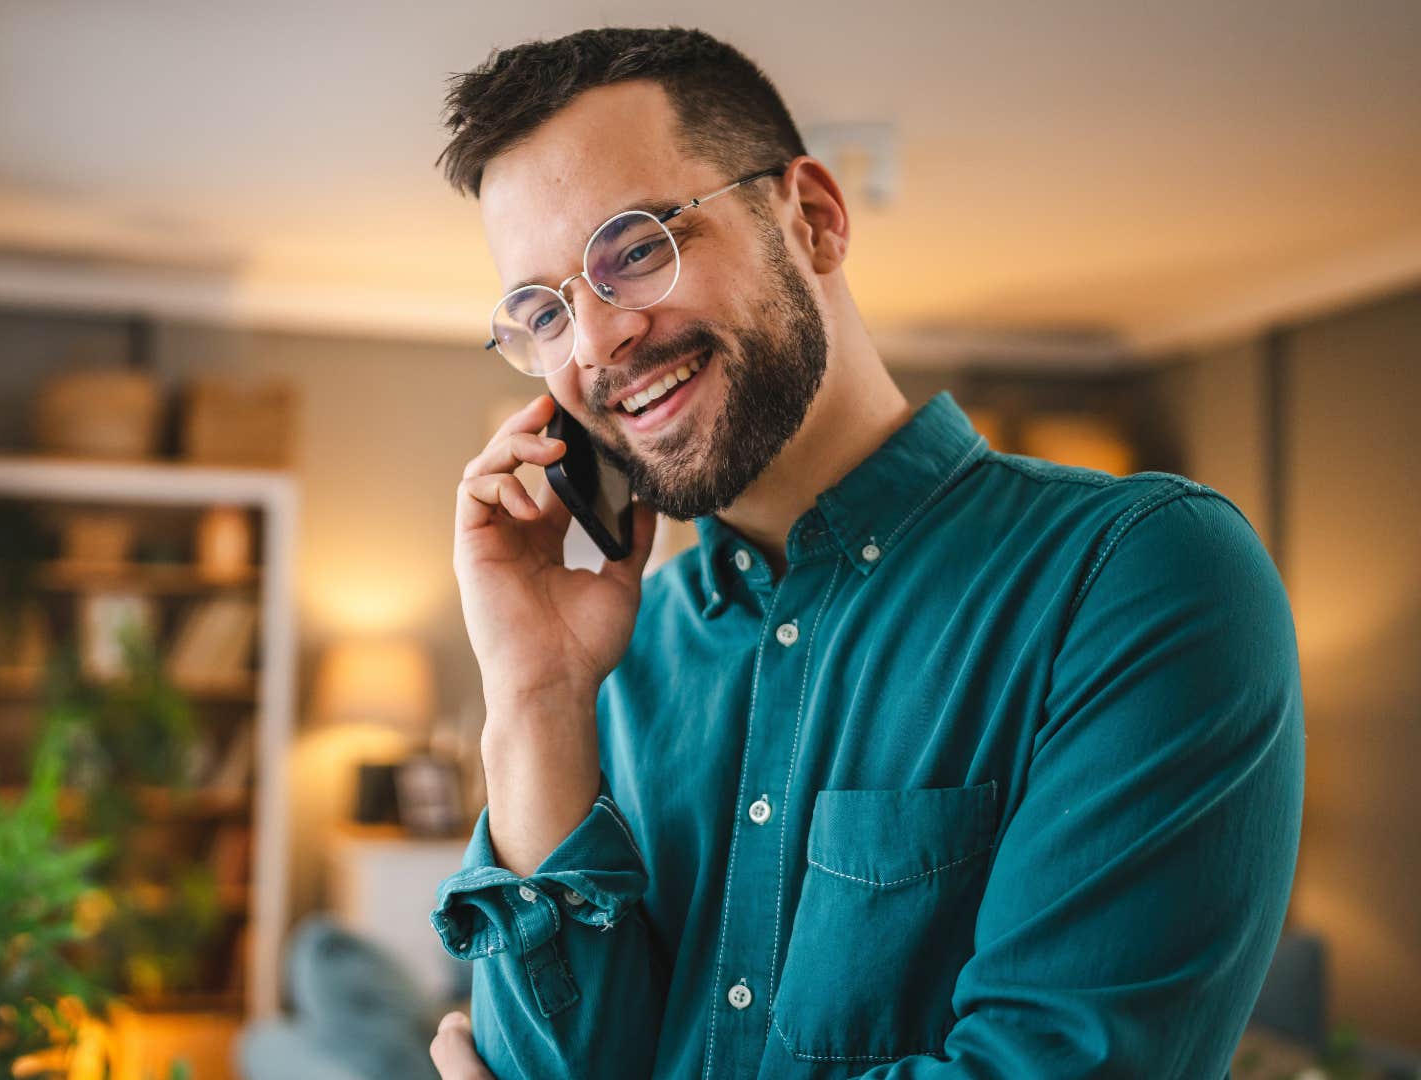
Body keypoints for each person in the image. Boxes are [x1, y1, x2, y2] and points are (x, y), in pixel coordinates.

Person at [426, 27, 1302, 1080]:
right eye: (541, 310)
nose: (594, 342)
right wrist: (534, 700)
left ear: (814, 220)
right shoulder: (617, 671)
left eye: (635, 248)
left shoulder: (1140, 576)